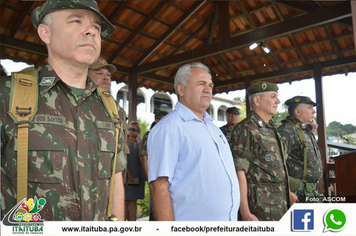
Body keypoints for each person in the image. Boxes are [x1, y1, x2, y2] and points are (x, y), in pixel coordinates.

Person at [1, 0, 125, 221]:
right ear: (45, 33)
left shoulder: (111, 109)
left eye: (96, 28)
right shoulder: (8, 96)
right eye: (76, 20)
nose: (91, 32)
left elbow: (116, 180)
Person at [148, 62, 240, 221]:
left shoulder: (214, 129)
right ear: (181, 89)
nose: (208, 89)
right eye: (201, 84)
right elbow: (159, 186)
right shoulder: (169, 128)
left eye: (210, 85)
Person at [230, 82, 292, 221]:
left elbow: (276, 168)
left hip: (280, 205)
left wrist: (288, 192)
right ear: (257, 101)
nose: (278, 101)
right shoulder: (246, 128)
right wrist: (245, 211)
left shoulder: (272, 128)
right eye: (273, 97)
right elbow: (239, 172)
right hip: (261, 209)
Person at [278, 96, 323, 202]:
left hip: (310, 192)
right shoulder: (287, 130)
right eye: (309, 108)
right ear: (297, 112)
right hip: (297, 193)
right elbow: (278, 163)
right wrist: (288, 191)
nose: (314, 111)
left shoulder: (305, 129)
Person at [88, 57, 130, 161]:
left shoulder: (117, 109)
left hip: (108, 173)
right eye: (99, 73)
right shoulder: (77, 102)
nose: (106, 77)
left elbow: (122, 150)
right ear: (86, 75)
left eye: (108, 75)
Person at [139, 110, 168, 221]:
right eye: (163, 120)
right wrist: (150, 179)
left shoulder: (167, 133)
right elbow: (143, 157)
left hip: (167, 179)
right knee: (156, 212)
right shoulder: (150, 134)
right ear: (156, 121)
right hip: (156, 178)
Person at [125, 121, 145, 221]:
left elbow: (143, 157)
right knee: (125, 202)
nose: (130, 131)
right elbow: (124, 161)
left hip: (138, 176)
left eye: (133, 129)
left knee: (133, 203)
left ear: (138, 132)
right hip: (127, 176)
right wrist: (130, 175)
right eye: (129, 129)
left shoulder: (139, 144)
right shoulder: (124, 143)